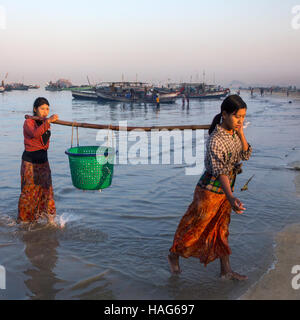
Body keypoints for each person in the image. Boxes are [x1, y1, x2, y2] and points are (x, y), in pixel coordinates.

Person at [168, 94, 252, 280]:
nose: (240, 120)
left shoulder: (233, 133)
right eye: (237, 116)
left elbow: (245, 154)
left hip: (226, 189)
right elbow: (220, 171)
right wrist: (230, 197)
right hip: (210, 191)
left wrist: (241, 132)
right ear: (224, 114)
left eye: (243, 117)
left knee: (222, 229)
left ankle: (226, 270)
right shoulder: (216, 140)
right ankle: (173, 255)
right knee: (196, 229)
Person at [17, 97, 59, 224]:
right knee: (29, 192)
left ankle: (49, 219)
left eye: (47, 109)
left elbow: (44, 143)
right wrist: (49, 121)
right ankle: (24, 221)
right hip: (30, 163)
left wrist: (47, 122)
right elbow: (35, 134)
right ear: (35, 109)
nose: (45, 112)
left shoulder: (45, 122)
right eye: (42, 109)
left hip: (43, 162)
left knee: (47, 190)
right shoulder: (29, 122)